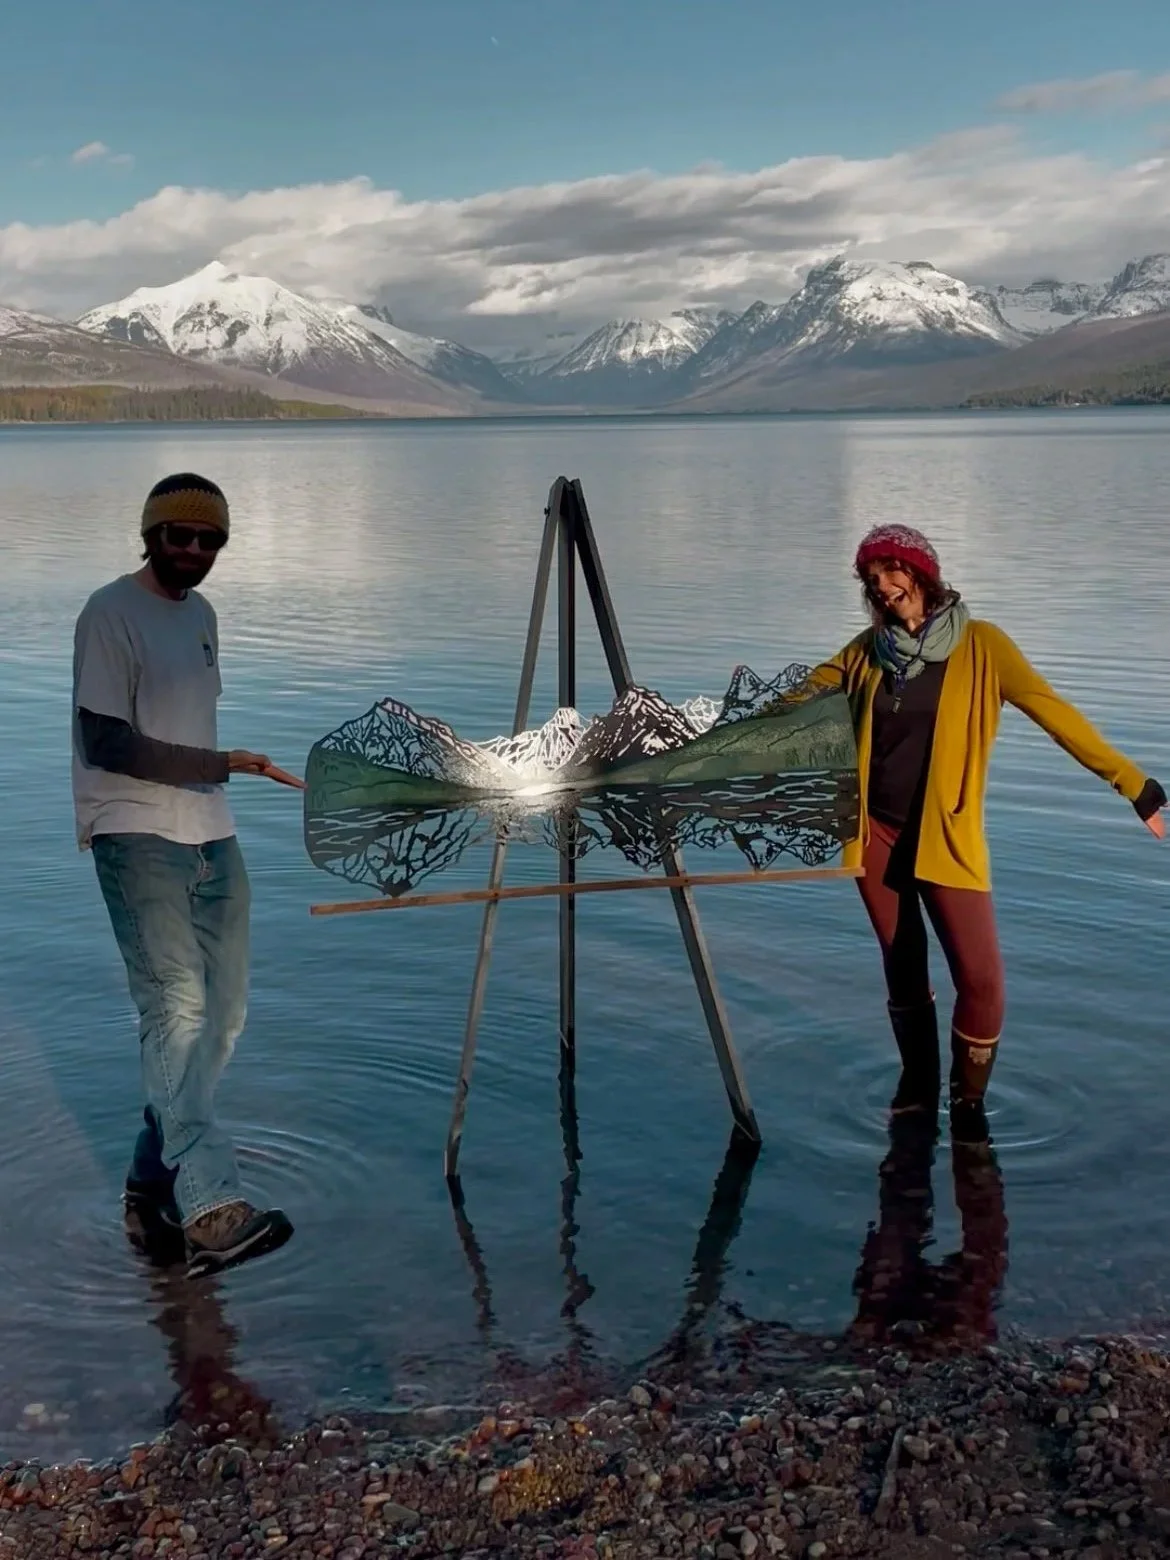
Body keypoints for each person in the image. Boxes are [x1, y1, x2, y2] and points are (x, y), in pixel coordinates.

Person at [799, 523, 1166, 1144]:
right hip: (875, 833)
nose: (883, 586)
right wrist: (710, 731)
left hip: (946, 835)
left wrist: (1136, 787)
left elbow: (1057, 714)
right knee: (903, 962)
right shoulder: (867, 652)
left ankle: (967, 1110)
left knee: (981, 979)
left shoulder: (983, 646)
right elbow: (794, 701)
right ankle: (916, 1092)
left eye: (893, 571)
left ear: (922, 574)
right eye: (871, 578)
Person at [72, 472, 301, 1278]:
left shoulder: (202, 615)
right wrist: (220, 762)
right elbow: (106, 740)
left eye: (210, 540)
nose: (195, 552)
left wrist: (222, 772)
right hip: (135, 835)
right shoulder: (109, 612)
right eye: (180, 536)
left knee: (222, 1021)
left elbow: (180, 722)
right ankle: (210, 1205)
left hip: (211, 833)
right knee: (176, 1009)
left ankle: (147, 1188)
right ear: (151, 534)